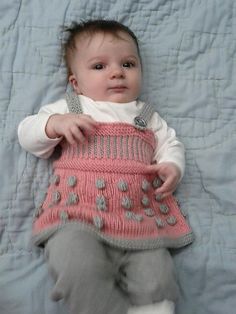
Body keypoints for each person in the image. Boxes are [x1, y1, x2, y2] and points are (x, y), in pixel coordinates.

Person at [18, 19, 194, 314]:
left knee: (158, 275)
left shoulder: (147, 117)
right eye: (99, 67)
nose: (116, 73)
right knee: (76, 266)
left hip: (138, 219)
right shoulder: (72, 107)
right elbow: (27, 133)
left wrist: (172, 166)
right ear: (76, 83)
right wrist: (54, 124)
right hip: (77, 216)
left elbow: (171, 144)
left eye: (128, 64)